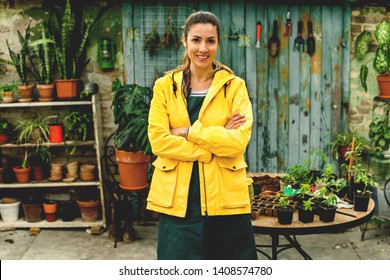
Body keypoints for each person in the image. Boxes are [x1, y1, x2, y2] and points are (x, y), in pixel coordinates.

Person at [147, 10, 257, 260]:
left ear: (218, 42)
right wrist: (214, 144)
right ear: (184, 41)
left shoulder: (234, 86)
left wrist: (188, 132)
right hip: (179, 202)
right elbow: (159, 141)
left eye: (210, 41)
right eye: (196, 40)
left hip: (226, 198)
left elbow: (238, 142)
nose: (203, 48)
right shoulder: (165, 87)